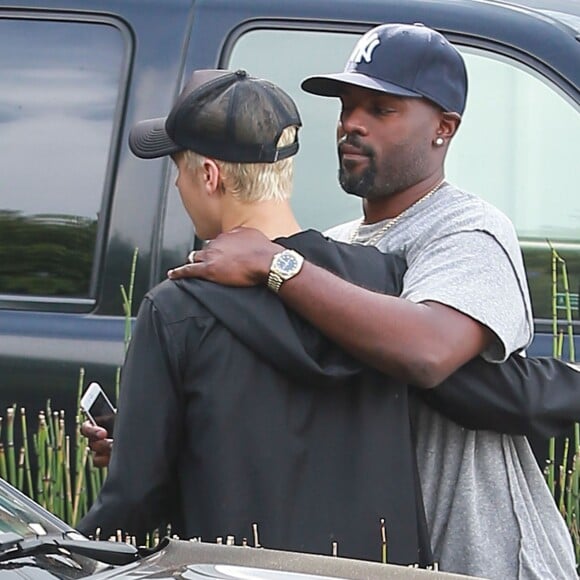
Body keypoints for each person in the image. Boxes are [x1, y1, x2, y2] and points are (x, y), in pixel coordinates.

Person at [164, 24, 578, 579]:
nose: (351, 124)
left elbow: (428, 351)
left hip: (483, 561)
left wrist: (276, 265)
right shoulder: (335, 248)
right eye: (347, 106)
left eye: (382, 109)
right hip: (383, 557)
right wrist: (162, 438)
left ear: (444, 129)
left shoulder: (466, 231)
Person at [77, 68, 435, 565]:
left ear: (209, 175)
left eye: (178, 168)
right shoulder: (382, 284)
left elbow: (134, 504)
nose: (179, 185)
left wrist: (63, 558)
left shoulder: (178, 309)